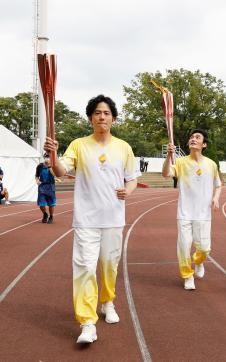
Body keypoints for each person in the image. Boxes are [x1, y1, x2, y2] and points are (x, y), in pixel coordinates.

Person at [44, 95, 138, 344]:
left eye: (106, 113)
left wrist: (127, 191)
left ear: (113, 118)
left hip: (113, 218)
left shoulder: (124, 147)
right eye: (97, 112)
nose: (102, 116)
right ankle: (87, 322)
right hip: (86, 219)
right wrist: (53, 157)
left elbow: (132, 179)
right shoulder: (78, 144)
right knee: (85, 268)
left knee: (109, 266)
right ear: (90, 118)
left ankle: (107, 302)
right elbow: (61, 171)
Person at [162, 129, 222, 291]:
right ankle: (187, 275)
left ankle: (199, 262)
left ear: (204, 144)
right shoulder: (181, 162)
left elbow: (218, 185)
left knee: (204, 248)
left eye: (197, 137)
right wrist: (169, 155)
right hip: (185, 213)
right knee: (184, 246)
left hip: (203, 214)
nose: (193, 139)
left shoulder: (211, 164)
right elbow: (166, 173)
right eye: (191, 137)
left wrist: (216, 198)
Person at [35, 154, 57, 223]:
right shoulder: (40, 166)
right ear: (44, 158)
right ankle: (45, 214)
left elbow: (54, 174)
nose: (47, 159)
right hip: (42, 186)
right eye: (46, 157)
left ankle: (51, 216)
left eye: (49, 157)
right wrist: (37, 181)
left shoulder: (53, 166)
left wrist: (49, 166)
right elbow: (36, 176)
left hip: (50, 186)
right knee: (41, 204)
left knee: (51, 203)